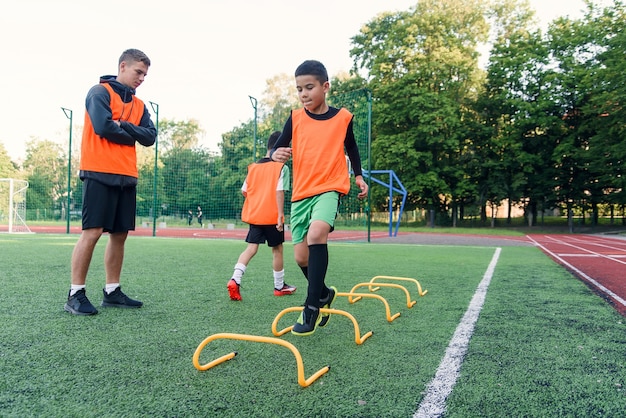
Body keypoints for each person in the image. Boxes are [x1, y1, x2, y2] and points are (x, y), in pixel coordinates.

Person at [270, 60, 368, 335]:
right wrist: (276, 154)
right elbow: (277, 149)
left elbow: (351, 147)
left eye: (309, 87)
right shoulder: (295, 118)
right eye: (299, 89)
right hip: (302, 193)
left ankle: (311, 307)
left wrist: (358, 176)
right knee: (301, 257)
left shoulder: (342, 118)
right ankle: (323, 293)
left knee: (317, 235)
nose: (303, 94)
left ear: (325, 87)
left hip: (330, 187)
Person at [64, 49, 156, 316]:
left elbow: (150, 136)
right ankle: (75, 293)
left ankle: (112, 291)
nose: (142, 78)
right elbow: (103, 127)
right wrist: (132, 132)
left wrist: (125, 127)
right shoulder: (99, 92)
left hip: (127, 175)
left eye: (145, 75)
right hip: (98, 171)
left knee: (119, 235)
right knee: (92, 232)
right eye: (138, 72)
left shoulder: (140, 106)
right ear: (123, 66)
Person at [227, 131, 296, 301]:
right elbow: (279, 191)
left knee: (251, 248)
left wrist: (258, 198)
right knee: (277, 249)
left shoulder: (253, 167)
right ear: (280, 148)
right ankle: (279, 286)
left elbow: (244, 191)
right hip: (272, 216)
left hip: (256, 216)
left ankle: (235, 278)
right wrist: (280, 215)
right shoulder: (282, 168)